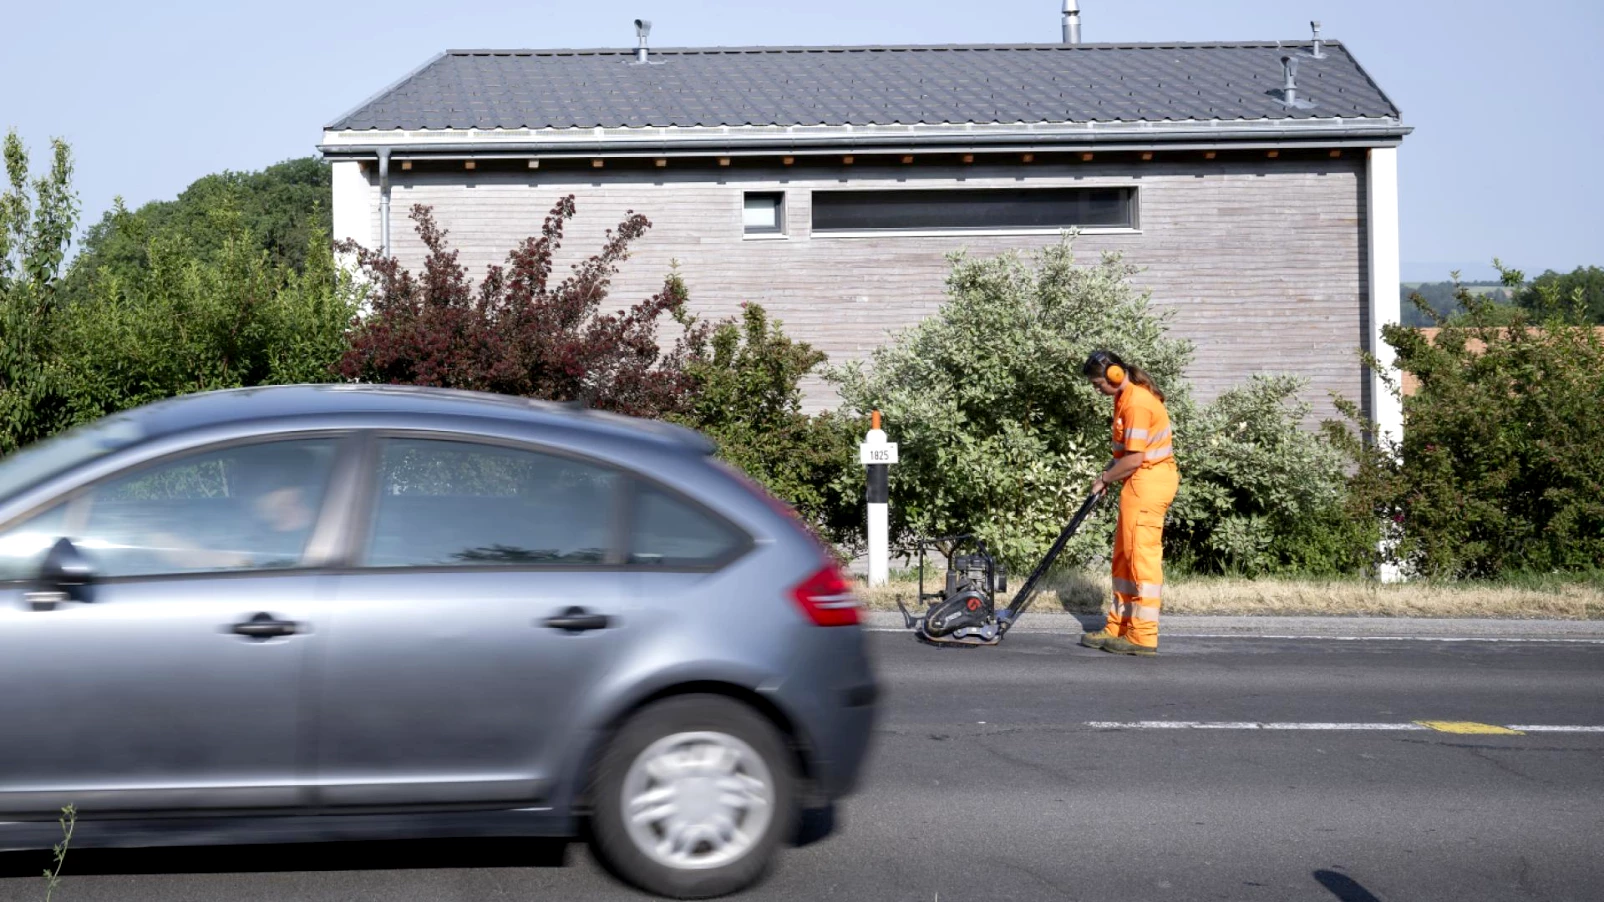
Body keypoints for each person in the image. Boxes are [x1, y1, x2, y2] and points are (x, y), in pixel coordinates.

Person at [1078, 350, 1179, 657]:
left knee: (1140, 560)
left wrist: (1106, 479)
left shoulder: (1136, 403)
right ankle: (1118, 626)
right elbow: (1124, 454)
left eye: (1098, 384)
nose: (1097, 390)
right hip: (1137, 484)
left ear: (1115, 375)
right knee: (1123, 558)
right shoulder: (1123, 399)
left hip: (1149, 483)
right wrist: (1106, 475)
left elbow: (1135, 460)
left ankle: (1142, 635)